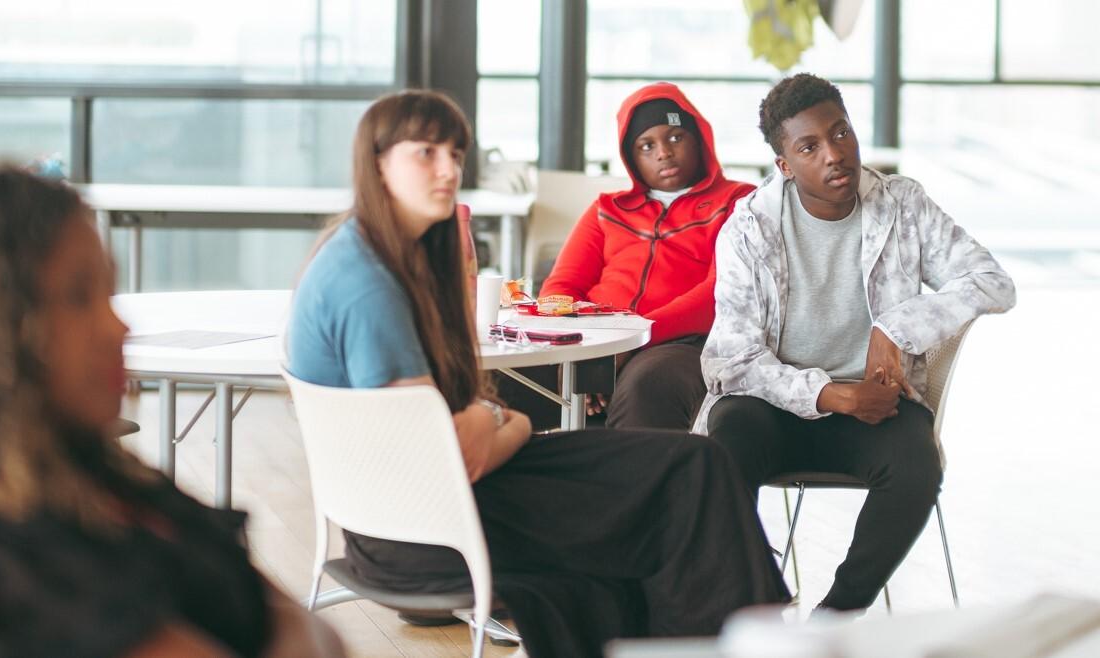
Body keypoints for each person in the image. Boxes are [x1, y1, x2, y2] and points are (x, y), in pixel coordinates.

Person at [286, 90, 790, 658]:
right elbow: (452, 453)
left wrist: (491, 416)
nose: (449, 169)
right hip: (426, 526)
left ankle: (728, 641)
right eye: (426, 153)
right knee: (687, 480)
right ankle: (752, 641)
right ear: (378, 162)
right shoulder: (367, 283)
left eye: (456, 152)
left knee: (694, 466)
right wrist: (507, 418)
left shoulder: (368, 253)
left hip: (418, 509)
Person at [0, 166, 344, 658]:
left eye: (108, 292)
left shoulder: (98, 477)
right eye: (77, 297)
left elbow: (315, 632)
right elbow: (295, 626)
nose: (117, 327)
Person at [696, 73, 1017, 613]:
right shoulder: (749, 229)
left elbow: (992, 281)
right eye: (809, 147)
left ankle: (836, 619)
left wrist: (895, 328)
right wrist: (830, 394)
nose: (834, 155)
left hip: (875, 409)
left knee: (917, 466)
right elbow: (731, 360)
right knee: (724, 442)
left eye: (840, 132)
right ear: (784, 165)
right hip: (774, 409)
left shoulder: (902, 205)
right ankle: (747, 609)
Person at [524, 82, 755, 430]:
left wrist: (631, 340)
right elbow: (562, 286)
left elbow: (719, 294)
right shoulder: (607, 209)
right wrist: (578, 350)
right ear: (631, 157)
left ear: (700, 139)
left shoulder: (738, 202)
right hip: (596, 339)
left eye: (676, 137)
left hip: (683, 342)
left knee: (647, 386)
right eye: (647, 145)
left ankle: (625, 485)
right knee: (505, 380)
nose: (664, 152)